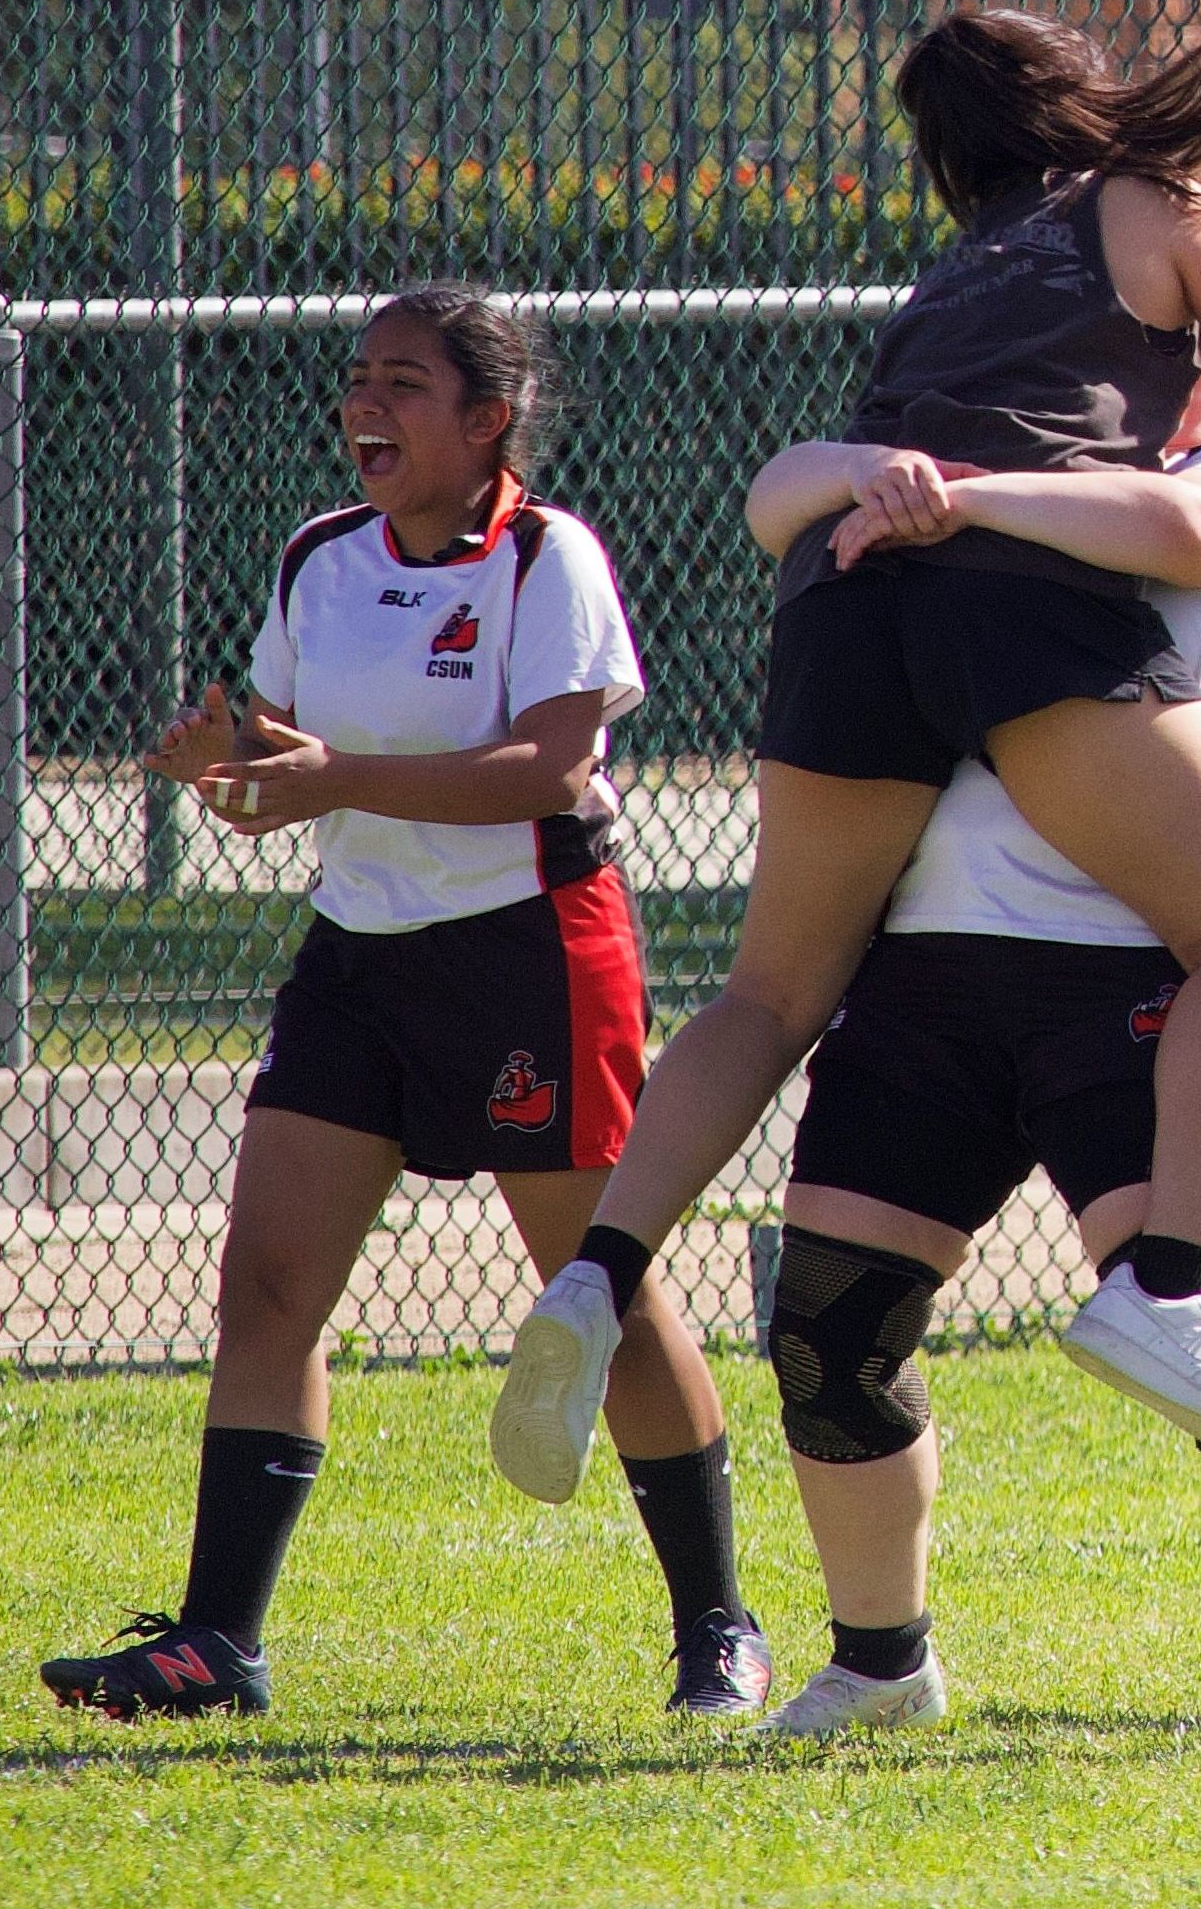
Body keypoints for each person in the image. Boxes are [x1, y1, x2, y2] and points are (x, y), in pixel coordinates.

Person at [492, 0, 1201, 1508]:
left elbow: (796, 497)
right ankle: (1170, 1284)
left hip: (846, 592)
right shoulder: (1157, 203)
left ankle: (598, 1271)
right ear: (1078, 104)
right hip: (1019, 595)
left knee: (767, 992)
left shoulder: (951, 280)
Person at [44, 289, 763, 1721]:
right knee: (267, 1287)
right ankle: (217, 1643)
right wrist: (220, 764)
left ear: (487, 421)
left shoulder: (548, 559)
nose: (366, 404)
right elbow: (281, 776)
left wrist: (330, 777)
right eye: (358, 379)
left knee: (593, 1295)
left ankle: (719, 1629)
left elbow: (552, 766)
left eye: (406, 384)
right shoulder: (322, 555)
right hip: (359, 958)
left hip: (530, 955)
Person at [741, 354, 1201, 1740]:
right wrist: (903, 484)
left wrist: (956, 500)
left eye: (1178, 339)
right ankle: (882, 1661)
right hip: (925, 976)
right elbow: (779, 498)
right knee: (827, 1331)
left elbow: (1190, 532)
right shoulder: (924, 469)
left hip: (1126, 977)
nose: (1136, 357)